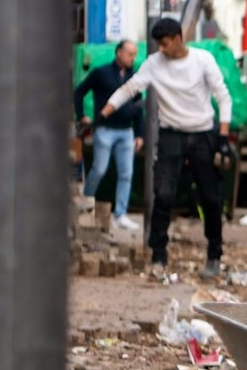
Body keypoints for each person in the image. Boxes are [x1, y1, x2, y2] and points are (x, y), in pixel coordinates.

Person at [101, 17, 231, 279]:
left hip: (203, 133)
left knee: (210, 198)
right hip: (170, 134)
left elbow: (222, 95)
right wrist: (106, 110)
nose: (161, 49)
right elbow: (130, 88)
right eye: (158, 44)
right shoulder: (154, 64)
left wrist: (224, 137)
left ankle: (214, 255)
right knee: (163, 196)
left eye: (165, 43)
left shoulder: (202, 60)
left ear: (178, 39)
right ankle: (158, 256)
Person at [75, 40, 145, 229]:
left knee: (126, 173)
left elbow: (138, 106)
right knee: (99, 168)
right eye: (130, 53)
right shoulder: (101, 73)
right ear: (119, 53)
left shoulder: (134, 77)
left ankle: (120, 214)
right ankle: (86, 203)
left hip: (126, 131)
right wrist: (82, 116)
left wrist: (139, 134)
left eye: (135, 54)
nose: (133, 58)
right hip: (105, 129)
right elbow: (79, 92)